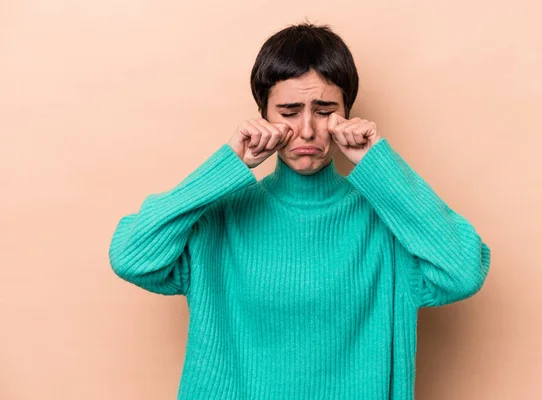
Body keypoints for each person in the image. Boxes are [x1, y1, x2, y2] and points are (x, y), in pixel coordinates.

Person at [109, 22, 491, 400]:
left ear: (347, 115)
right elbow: (131, 256)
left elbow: (463, 270)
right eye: (289, 111)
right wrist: (228, 166)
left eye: (324, 111)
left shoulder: (388, 223)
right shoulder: (218, 220)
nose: (307, 130)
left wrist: (380, 165)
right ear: (263, 116)